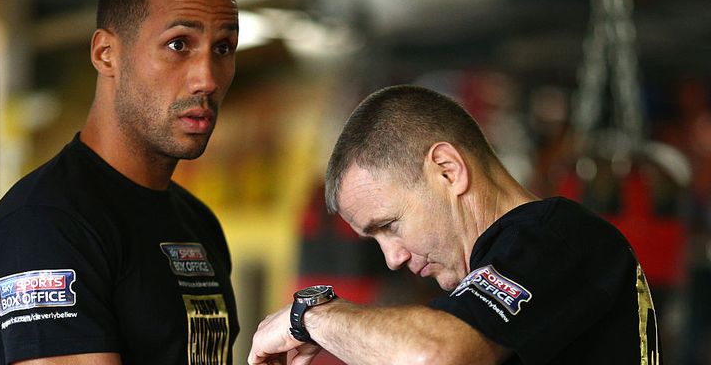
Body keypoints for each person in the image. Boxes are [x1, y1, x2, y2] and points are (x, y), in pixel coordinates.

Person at [249, 84, 661, 364]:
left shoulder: (554, 237)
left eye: (389, 225)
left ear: (447, 170)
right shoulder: (501, 271)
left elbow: (437, 354)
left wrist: (310, 317)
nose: (391, 258)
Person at [0, 0, 240, 364]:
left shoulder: (196, 222)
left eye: (222, 49)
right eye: (178, 44)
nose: (206, 78)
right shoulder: (46, 225)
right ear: (105, 54)